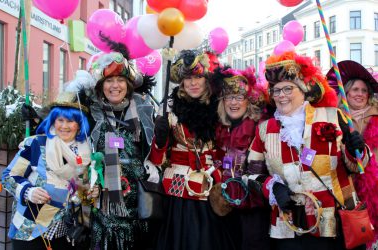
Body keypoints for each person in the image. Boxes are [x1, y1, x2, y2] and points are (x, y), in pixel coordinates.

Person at [246, 51, 369, 250]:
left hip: (332, 224)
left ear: (303, 90)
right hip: (288, 228)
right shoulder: (265, 129)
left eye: (287, 89)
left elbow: (358, 167)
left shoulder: (333, 116)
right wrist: (271, 186)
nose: (281, 96)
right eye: (276, 91)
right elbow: (250, 174)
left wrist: (356, 149)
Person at [146, 50, 236, 250]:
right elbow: (157, 160)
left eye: (198, 77)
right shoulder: (169, 109)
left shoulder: (220, 108)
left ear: (206, 80)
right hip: (178, 190)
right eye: (188, 78)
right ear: (181, 82)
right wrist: (160, 140)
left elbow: (226, 150)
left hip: (210, 185)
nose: (193, 83)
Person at [72, 39, 156, 250]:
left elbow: (154, 150)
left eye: (120, 80)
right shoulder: (90, 111)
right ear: (101, 85)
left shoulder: (144, 108)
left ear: (128, 85)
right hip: (103, 198)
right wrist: (37, 120)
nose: (115, 86)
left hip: (138, 199)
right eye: (109, 80)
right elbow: (62, 125)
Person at [2, 92, 91, 250]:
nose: (64, 126)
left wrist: (89, 194)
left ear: (79, 125)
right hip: (30, 231)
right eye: (60, 120)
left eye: (70, 121)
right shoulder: (36, 144)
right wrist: (29, 191)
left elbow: (81, 194)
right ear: (53, 121)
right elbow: (8, 176)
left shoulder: (85, 154)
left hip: (65, 234)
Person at [212, 65, 271, 250]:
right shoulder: (222, 128)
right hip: (228, 206)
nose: (234, 103)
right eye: (229, 97)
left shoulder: (259, 127)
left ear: (249, 101)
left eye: (239, 97)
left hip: (254, 208)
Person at [327, 60, 378, 250]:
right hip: (345, 192)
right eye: (355, 89)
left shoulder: (377, 116)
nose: (360, 94)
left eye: (364, 91)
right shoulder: (334, 118)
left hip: (374, 188)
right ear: (345, 92)